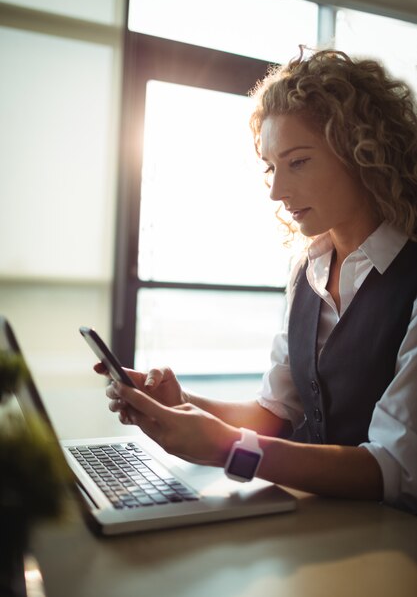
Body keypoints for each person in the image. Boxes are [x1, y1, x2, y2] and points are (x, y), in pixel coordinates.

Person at [99, 47, 417, 513]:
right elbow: (276, 413)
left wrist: (230, 449)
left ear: (361, 151)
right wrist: (180, 403)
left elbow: (393, 469)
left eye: (298, 161)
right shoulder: (306, 271)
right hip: (312, 523)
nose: (275, 190)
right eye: (271, 167)